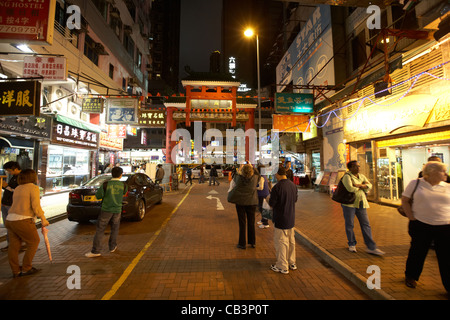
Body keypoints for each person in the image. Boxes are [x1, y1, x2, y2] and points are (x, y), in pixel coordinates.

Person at [402, 161, 450, 292]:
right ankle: (411, 276)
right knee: (418, 252)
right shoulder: (416, 183)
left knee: (446, 256)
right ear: (432, 172)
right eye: (442, 171)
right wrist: (411, 218)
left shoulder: (447, 187)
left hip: (445, 226)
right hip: (421, 224)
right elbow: (405, 200)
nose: (445, 174)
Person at [4, 169, 49, 277]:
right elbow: (36, 206)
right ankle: (26, 268)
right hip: (23, 219)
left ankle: (16, 271)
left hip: (10, 220)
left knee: (14, 246)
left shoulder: (18, 188)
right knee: (33, 242)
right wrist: (43, 218)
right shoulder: (33, 188)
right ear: (32, 177)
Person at [341, 160, 384, 255]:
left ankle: (371, 247)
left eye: (359, 166)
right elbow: (350, 188)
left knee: (366, 224)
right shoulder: (346, 177)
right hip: (349, 204)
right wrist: (363, 186)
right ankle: (351, 244)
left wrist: (359, 185)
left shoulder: (361, 176)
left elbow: (370, 186)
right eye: (356, 166)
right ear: (351, 168)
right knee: (350, 224)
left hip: (361, 203)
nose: (359, 168)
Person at [85, 166, 128, 257]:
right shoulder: (124, 185)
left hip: (106, 210)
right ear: (120, 175)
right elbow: (124, 193)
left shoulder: (105, 184)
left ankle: (96, 251)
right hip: (117, 209)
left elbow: (98, 196)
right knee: (115, 228)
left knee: (100, 229)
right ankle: (112, 247)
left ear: (112, 174)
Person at [269, 167, 298, 274]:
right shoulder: (293, 185)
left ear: (277, 174)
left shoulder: (277, 187)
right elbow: (295, 199)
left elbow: (272, 203)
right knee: (291, 241)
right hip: (291, 217)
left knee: (281, 242)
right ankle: (292, 262)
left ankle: (282, 266)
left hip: (280, 218)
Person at [227, 164, 259, 249]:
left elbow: (235, 175)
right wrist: (252, 166)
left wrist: (240, 168)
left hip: (240, 203)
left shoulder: (238, 179)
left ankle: (242, 243)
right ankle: (252, 242)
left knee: (242, 223)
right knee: (251, 222)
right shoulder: (255, 178)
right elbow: (258, 174)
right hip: (252, 202)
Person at [1, 161, 21, 251]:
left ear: (15, 168)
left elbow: (17, 191)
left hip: (11, 205)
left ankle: (14, 245)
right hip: (5, 203)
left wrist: (6, 187)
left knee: (11, 226)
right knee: (7, 225)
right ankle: (11, 244)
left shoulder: (21, 178)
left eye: (9, 170)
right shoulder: (13, 177)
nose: (9, 172)